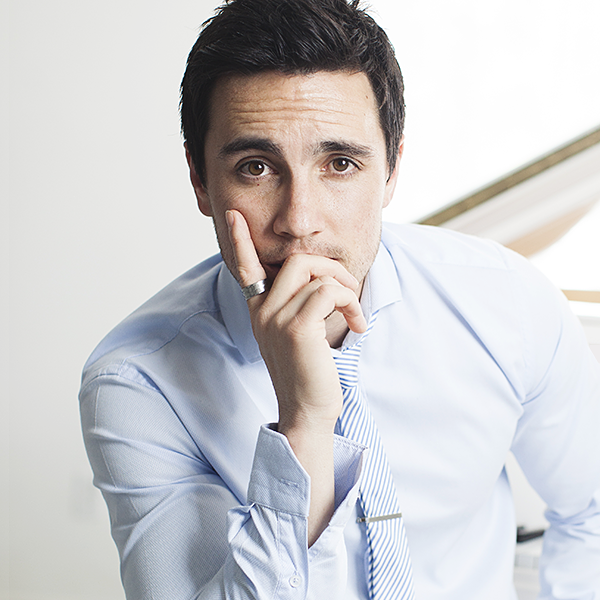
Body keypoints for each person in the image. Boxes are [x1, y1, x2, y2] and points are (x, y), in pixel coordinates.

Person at [79, 0, 600, 598]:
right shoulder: (137, 382)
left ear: (392, 169)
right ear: (200, 180)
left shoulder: (509, 303)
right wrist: (304, 421)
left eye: (341, 163)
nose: (299, 221)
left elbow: (591, 512)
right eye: (256, 167)